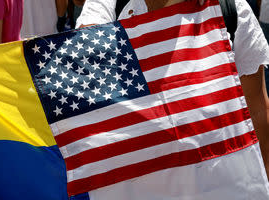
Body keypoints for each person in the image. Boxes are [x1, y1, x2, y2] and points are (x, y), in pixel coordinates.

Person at [76, 0, 269, 178]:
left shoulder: (230, 9)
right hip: (143, 194)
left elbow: (257, 110)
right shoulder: (108, 6)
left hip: (217, 188)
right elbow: (86, 54)